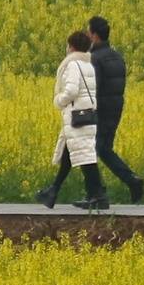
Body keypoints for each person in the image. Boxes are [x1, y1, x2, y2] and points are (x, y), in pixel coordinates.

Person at [39, 28, 107, 210]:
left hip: (78, 116)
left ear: (72, 46)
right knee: (74, 154)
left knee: (85, 157)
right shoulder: (87, 64)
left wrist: (59, 100)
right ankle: (53, 191)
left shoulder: (73, 65)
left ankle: (98, 196)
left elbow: (71, 91)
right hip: (87, 114)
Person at [86, 14, 144, 203]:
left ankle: (98, 192)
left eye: (88, 32)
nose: (87, 36)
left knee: (92, 149)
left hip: (101, 109)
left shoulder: (95, 59)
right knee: (104, 148)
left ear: (95, 35)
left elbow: (94, 87)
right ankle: (129, 181)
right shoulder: (116, 56)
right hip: (116, 107)